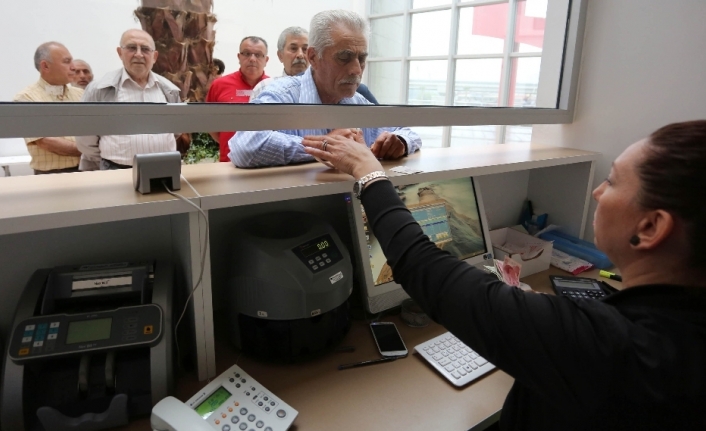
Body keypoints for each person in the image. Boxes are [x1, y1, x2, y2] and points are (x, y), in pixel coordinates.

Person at [301, 120, 706, 430]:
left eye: (613, 181)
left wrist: (369, 174)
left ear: (651, 228)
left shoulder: (614, 348)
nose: (598, 191)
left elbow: (424, 267)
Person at [231, 10, 418, 168]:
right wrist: (325, 146)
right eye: (344, 57)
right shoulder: (283, 94)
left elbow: (407, 132)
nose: (356, 69)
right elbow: (244, 146)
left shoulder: (357, 102)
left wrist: (400, 142)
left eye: (361, 58)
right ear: (313, 57)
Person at [76, 29, 181, 171]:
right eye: (132, 48)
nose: (138, 54)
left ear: (154, 56)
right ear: (120, 53)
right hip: (116, 170)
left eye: (145, 49)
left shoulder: (169, 90)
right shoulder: (99, 89)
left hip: (163, 168)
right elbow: (85, 139)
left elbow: (176, 130)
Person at [249, 25, 379, 104]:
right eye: (293, 48)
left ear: (312, 55)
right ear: (280, 55)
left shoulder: (356, 92)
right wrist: (324, 144)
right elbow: (250, 139)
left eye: (305, 49)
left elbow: (386, 129)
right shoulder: (266, 88)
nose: (300, 55)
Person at [14, 42, 83, 175]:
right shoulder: (26, 98)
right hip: (51, 175)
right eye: (67, 62)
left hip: (87, 169)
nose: (73, 67)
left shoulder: (80, 94)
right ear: (45, 66)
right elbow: (46, 142)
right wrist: (88, 150)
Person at [205, 36, 270, 162]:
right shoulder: (219, 85)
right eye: (246, 53)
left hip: (265, 162)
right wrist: (230, 142)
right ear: (239, 57)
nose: (252, 59)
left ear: (266, 60)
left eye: (258, 55)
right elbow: (210, 124)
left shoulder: (273, 86)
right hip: (229, 161)